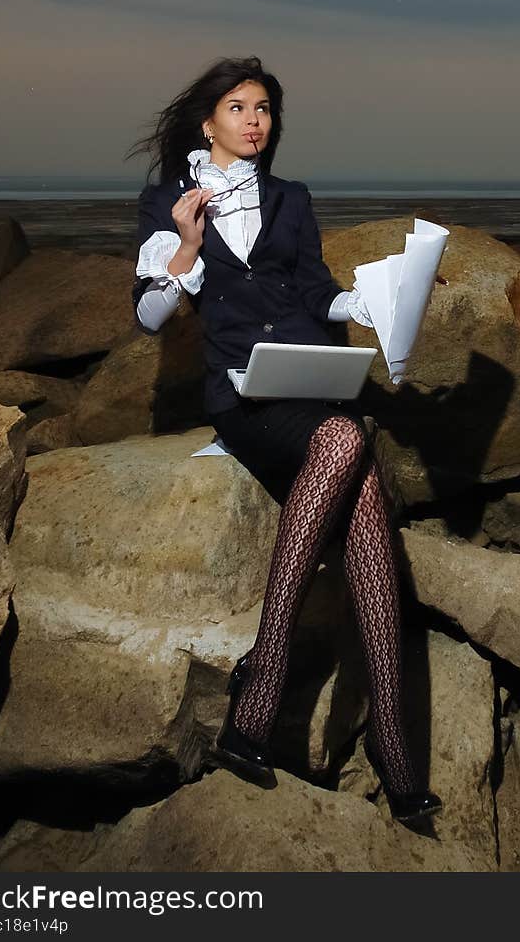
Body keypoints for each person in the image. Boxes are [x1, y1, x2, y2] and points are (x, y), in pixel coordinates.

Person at [128, 55, 442, 824]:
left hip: (312, 379)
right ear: (209, 121)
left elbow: (313, 288)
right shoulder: (167, 202)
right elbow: (148, 316)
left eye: (264, 107)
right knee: (349, 449)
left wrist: (367, 300)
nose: (255, 119)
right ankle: (348, 724)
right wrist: (186, 248)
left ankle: (325, 720)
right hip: (243, 395)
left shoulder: (292, 199)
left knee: (353, 467)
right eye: (238, 107)